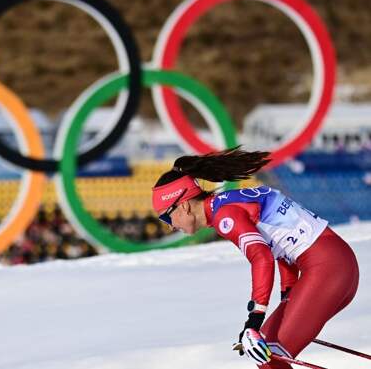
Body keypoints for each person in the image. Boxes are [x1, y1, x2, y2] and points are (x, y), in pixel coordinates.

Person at [150, 147, 359, 368]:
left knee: (268, 356)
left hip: (328, 269)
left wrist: (255, 318)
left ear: (183, 205)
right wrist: (288, 294)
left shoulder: (225, 215)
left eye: (166, 216)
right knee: (266, 351)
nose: (170, 226)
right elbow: (282, 246)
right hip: (335, 266)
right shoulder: (228, 202)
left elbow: (262, 258)